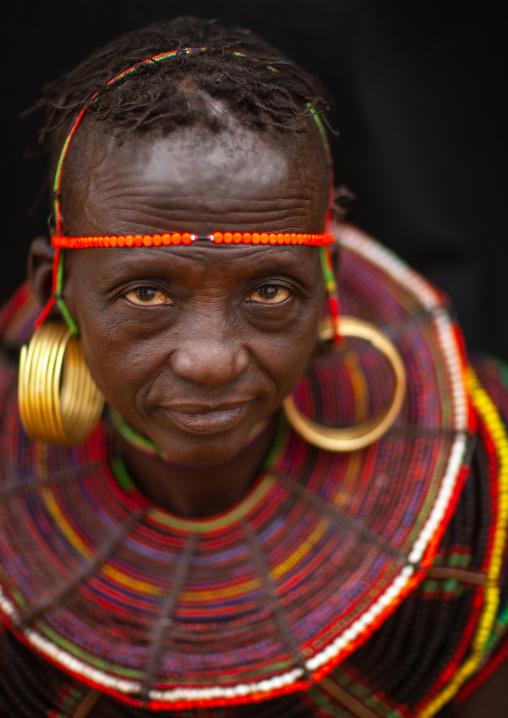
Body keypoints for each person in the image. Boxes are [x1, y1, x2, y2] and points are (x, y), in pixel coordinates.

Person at [0, 16, 506, 718]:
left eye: (270, 291)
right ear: (55, 286)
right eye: (146, 292)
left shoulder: (487, 469)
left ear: (326, 285)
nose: (211, 360)